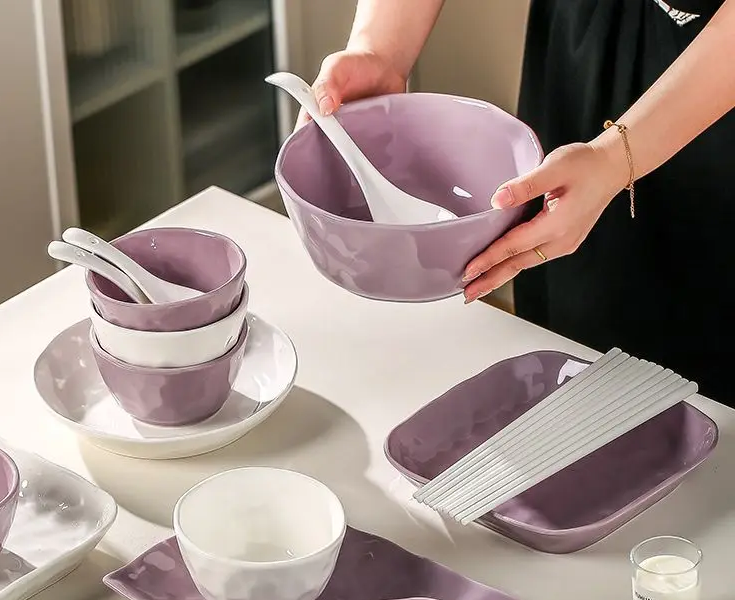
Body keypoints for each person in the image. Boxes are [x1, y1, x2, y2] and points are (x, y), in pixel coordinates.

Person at [303, 1, 735, 406]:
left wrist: (613, 159)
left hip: (715, 79)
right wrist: (381, 49)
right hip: (585, 39)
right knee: (570, 342)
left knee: (703, 373)